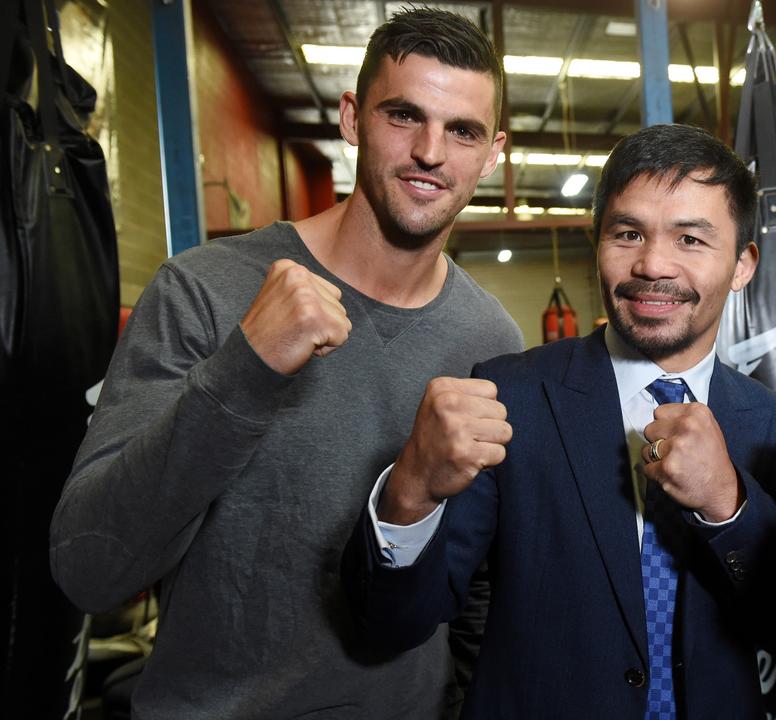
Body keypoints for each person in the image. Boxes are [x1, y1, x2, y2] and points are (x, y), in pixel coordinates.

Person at [49, 8, 521, 718]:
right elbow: (90, 568)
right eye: (403, 115)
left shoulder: (493, 338)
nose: (431, 151)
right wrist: (246, 368)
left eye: (462, 131)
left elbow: (480, 582)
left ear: (493, 153)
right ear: (353, 118)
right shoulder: (203, 290)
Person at [341, 123, 776, 717]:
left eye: (690, 239)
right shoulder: (512, 397)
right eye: (628, 233)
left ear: (742, 265)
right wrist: (410, 489)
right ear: (596, 242)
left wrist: (728, 504)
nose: (653, 264)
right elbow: (390, 621)